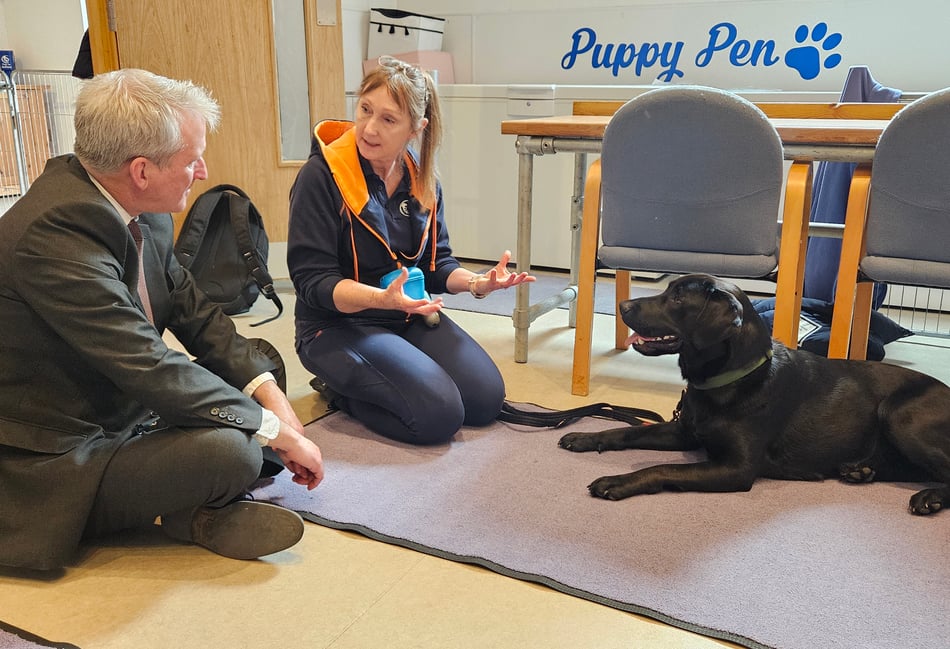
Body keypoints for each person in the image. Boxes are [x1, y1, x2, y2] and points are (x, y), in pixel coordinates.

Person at [0, 69, 324, 572]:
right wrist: (276, 433)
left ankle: (186, 505)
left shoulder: (139, 205)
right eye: (191, 159)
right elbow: (148, 364)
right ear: (142, 170)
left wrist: (272, 403)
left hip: (130, 407)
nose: (203, 171)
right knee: (234, 453)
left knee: (259, 366)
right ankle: (184, 513)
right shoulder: (53, 236)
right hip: (69, 449)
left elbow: (193, 312)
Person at [288, 56, 534, 445]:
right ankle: (339, 390)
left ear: (415, 129)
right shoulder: (320, 176)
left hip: (406, 316)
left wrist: (478, 283)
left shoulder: (423, 179)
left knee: (486, 401)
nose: (369, 128)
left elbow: (438, 266)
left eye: (388, 119)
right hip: (335, 327)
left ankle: (393, 374)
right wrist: (380, 299)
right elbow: (311, 282)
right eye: (365, 109)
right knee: (440, 415)